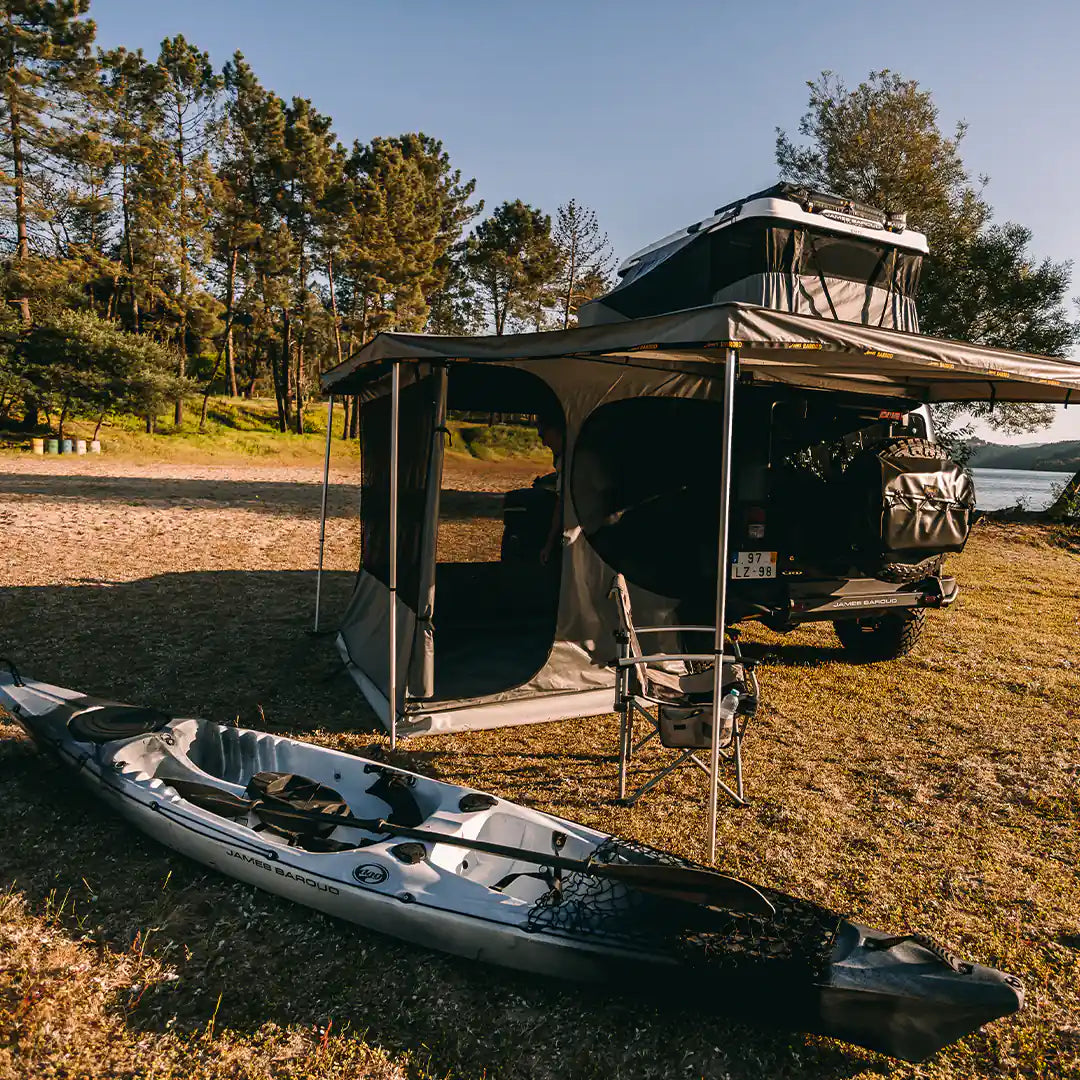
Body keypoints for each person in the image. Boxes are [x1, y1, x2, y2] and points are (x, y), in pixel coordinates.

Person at [536, 414, 565, 565]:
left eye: (543, 435)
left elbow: (561, 505)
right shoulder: (564, 460)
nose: (544, 443)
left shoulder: (570, 461)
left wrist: (549, 545)